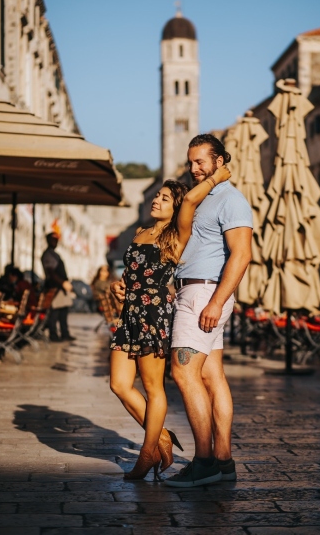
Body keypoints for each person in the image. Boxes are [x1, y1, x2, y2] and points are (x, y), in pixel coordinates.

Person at [109, 167, 231, 481]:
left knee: (152, 387)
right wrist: (118, 285)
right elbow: (132, 272)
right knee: (119, 384)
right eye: (157, 196)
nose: (157, 201)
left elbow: (190, 201)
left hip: (154, 316)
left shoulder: (177, 235)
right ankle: (161, 437)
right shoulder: (139, 232)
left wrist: (214, 178)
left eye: (165, 198)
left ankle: (147, 453)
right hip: (130, 314)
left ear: (175, 207)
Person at [164, 134, 253, 488]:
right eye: (191, 162)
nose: (194, 169)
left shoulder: (231, 200)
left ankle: (203, 462)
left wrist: (217, 301)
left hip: (204, 294)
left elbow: (242, 254)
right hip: (197, 291)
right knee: (211, 377)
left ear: (220, 161)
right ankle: (223, 461)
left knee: (183, 372)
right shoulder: (201, 199)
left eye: (201, 162)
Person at [41, 232, 75, 342]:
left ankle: (65, 333)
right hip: (55, 287)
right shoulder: (48, 255)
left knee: (63, 311)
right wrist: (62, 283)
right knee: (54, 312)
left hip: (61, 288)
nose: (55, 242)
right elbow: (51, 272)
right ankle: (53, 334)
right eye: (52, 239)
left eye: (56, 240)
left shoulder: (54, 254)